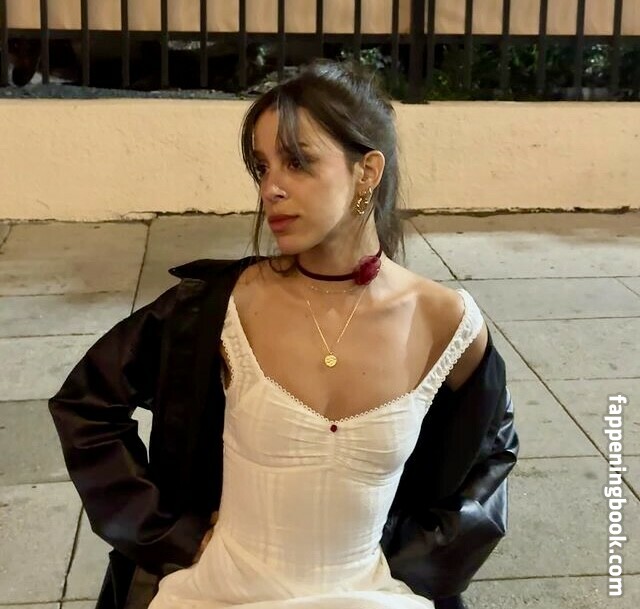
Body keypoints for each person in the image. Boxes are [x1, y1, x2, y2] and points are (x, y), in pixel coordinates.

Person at [49, 60, 518, 609]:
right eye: (262, 166)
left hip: (371, 593)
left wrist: (416, 563)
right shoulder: (219, 308)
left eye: (297, 162)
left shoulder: (445, 322)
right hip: (220, 590)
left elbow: (491, 454)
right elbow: (87, 405)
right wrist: (169, 534)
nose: (270, 188)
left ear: (367, 172)